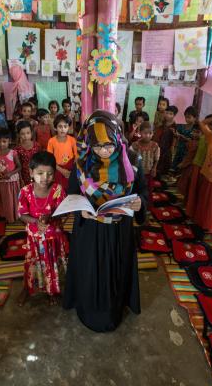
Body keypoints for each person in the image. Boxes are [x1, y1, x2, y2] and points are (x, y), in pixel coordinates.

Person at [63, 111, 147, 332]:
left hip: (119, 232)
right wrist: (81, 211)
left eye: (109, 144)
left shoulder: (133, 161)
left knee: (116, 272)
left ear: (118, 137)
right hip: (90, 230)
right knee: (90, 272)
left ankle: (113, 312)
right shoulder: (81, 165)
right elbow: (71, 194)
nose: (103, 151)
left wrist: (141, 203)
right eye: (98, 146)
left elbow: (144, 192)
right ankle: (89, 311)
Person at [17, 152, 69, 306]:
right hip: (35, 239)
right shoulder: (25, 192)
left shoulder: (58, 190)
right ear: (31, 172)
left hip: (54, 239)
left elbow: (64, 211)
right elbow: (21, 214)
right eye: (40, 173)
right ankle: (27, 288)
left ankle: (52, 290)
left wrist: (54, 216)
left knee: (53, 266)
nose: (45, 178)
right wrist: (35, 221)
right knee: (32, 266)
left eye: (50, 174)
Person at [0, 128, 22, 223]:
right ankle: (7, 215)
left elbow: (19, 166)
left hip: (12, 181)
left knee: (13, 200)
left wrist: (10, 173)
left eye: (4, 141)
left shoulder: (13, 153)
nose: (1, 144)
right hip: (1, 182)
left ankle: (15, 215)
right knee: (5, 199)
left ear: (9, 141)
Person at [184, 116, 208, 216]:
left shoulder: (206, 141)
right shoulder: (199, 140)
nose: (194, 134)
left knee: (195, 188)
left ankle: (192, 207)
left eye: (197, 132)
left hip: (199, 168)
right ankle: (187, 204)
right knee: (189, 186)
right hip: (194, 165)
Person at [47, 115, 78, 191]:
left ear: (68, 128)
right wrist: (62, 170)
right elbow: (50, 159)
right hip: (57, 169)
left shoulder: (72, 140)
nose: (63, 129)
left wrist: (72, 170)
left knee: (71, 188)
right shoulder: (51, 141)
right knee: (59, 190)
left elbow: (77, 156)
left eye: (65, 126)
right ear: (55, 128)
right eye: (60, 126)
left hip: (70, 169)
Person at [131, 121, 160, 193]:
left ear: (153, 133)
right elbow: (130, 157)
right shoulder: (135, 145)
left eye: (150, 133)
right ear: (140, 133)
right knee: (137, 189)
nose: (147, 135)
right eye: (145, 133)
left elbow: (156, 158)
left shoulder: (155, 145)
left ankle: (146, 203)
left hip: (149, 172)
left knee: (147, 189)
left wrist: (154, 168)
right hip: (137, 173)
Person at [15, 121, 42, 185]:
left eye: (28, 133)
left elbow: (41, 162)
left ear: (31, 133)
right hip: (24, 177)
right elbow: (18, 166)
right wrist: (21, 179)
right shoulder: (17, 149)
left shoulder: (37, 146)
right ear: (18, 134)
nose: (25, 136)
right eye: (22, 134)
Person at [172, 106, 197, 172]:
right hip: (179, 150)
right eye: (186, 117)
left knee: (183, 170)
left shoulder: (196, 129)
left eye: (189, 117)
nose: (187, 119)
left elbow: (192, 141)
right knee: (174, 168)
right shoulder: (181, 126)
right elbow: (176, 135)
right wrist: (175, 134)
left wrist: (181, 136)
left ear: (195, 118)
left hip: (187, 153)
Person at [156, 105, 178, 179]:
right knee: (158, 159)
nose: (168, 115)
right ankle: (157, 176)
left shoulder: (174, 126)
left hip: (168, 147)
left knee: (165, 161)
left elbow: (175, 138)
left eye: (171, 114)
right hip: (160, 144)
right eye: (167, 113)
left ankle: (162, 179)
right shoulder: (163, 123)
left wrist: (172, 147)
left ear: (174, 115)